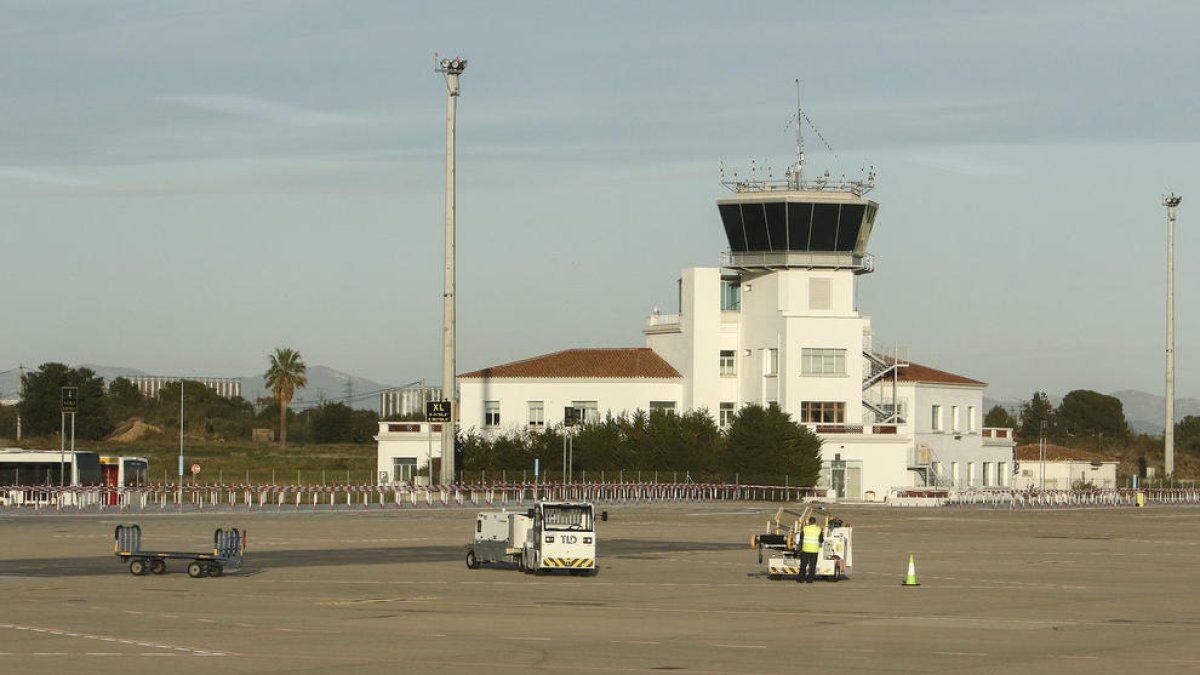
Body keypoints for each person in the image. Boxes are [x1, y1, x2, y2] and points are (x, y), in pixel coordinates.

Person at [797, 515, 823, 583]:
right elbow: (821, 540)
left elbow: (801, 538)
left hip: (805, 549)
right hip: (814, 550)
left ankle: (801, 579)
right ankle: (810, 580)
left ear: (809, 522)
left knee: (803, 565)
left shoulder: (805, 528)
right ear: (815, 522)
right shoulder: (818, 529)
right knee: (812, 566)